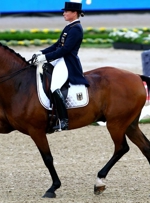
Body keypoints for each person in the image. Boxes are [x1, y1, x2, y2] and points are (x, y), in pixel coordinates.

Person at [34, 1, 89, 131]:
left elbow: (65, 50)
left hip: (67, 62)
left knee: (54, 87)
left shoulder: (76, 29)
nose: (63, 13)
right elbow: (57, 45)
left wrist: (46, 57)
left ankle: (63, 120)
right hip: (60, 59)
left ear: (74, 13)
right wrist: (41, 52)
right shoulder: (69, 26)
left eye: (66, 11)